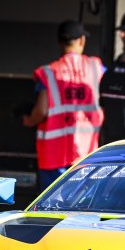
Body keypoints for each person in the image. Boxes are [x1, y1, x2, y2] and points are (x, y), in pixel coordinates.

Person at [23, 20, 104, 192]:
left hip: (53, 155)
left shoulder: (48, 72)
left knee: (51, 205)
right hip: (87, 154)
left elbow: (41, 110)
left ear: (60, 42)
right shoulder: (96, 68)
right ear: (82, 40)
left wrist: (29, 120)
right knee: (84, 205)